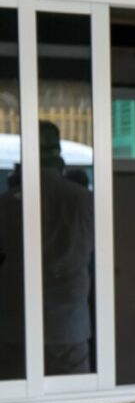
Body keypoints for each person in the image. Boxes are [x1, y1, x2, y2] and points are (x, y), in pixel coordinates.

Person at [0, 121, 95, 379]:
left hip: (15, 324)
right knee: (73, 396)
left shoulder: (8, 203)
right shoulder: (84, 200)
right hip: (68, 324)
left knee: (16, 395)